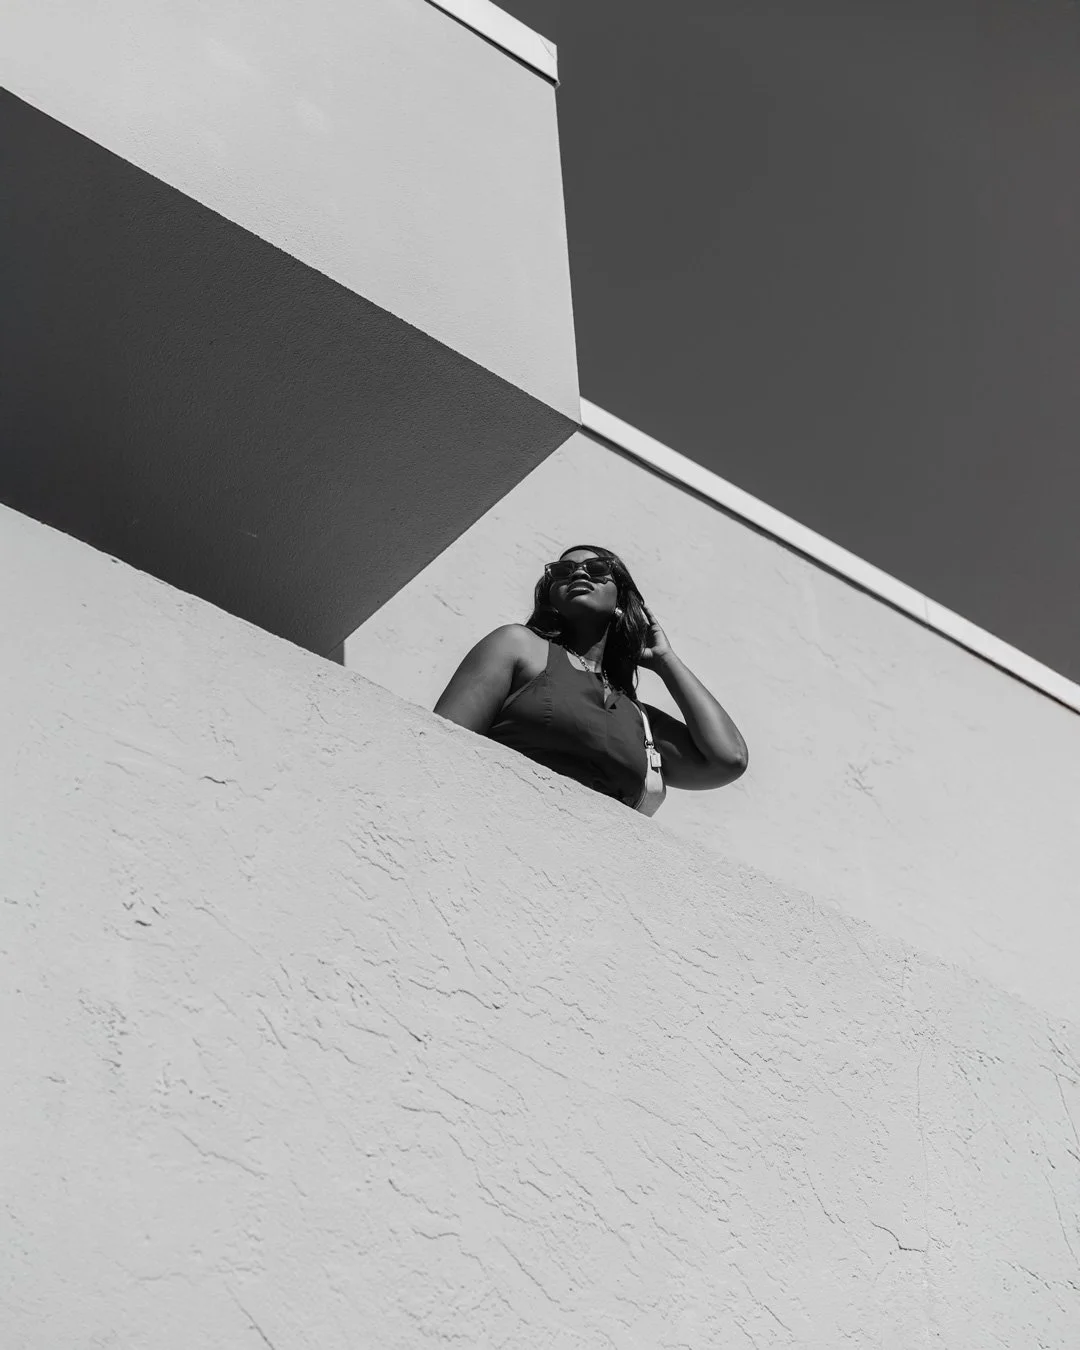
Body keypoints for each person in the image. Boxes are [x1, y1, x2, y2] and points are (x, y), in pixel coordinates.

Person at [433, 545, 748, 812]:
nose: (579, 574)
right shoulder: (518, 646)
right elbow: (440, 742)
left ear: (621, 597)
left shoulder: (639, 718)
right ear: (550, 595)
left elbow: (729, 759)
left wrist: (666, 661)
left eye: (597, 568)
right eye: (563, 570)